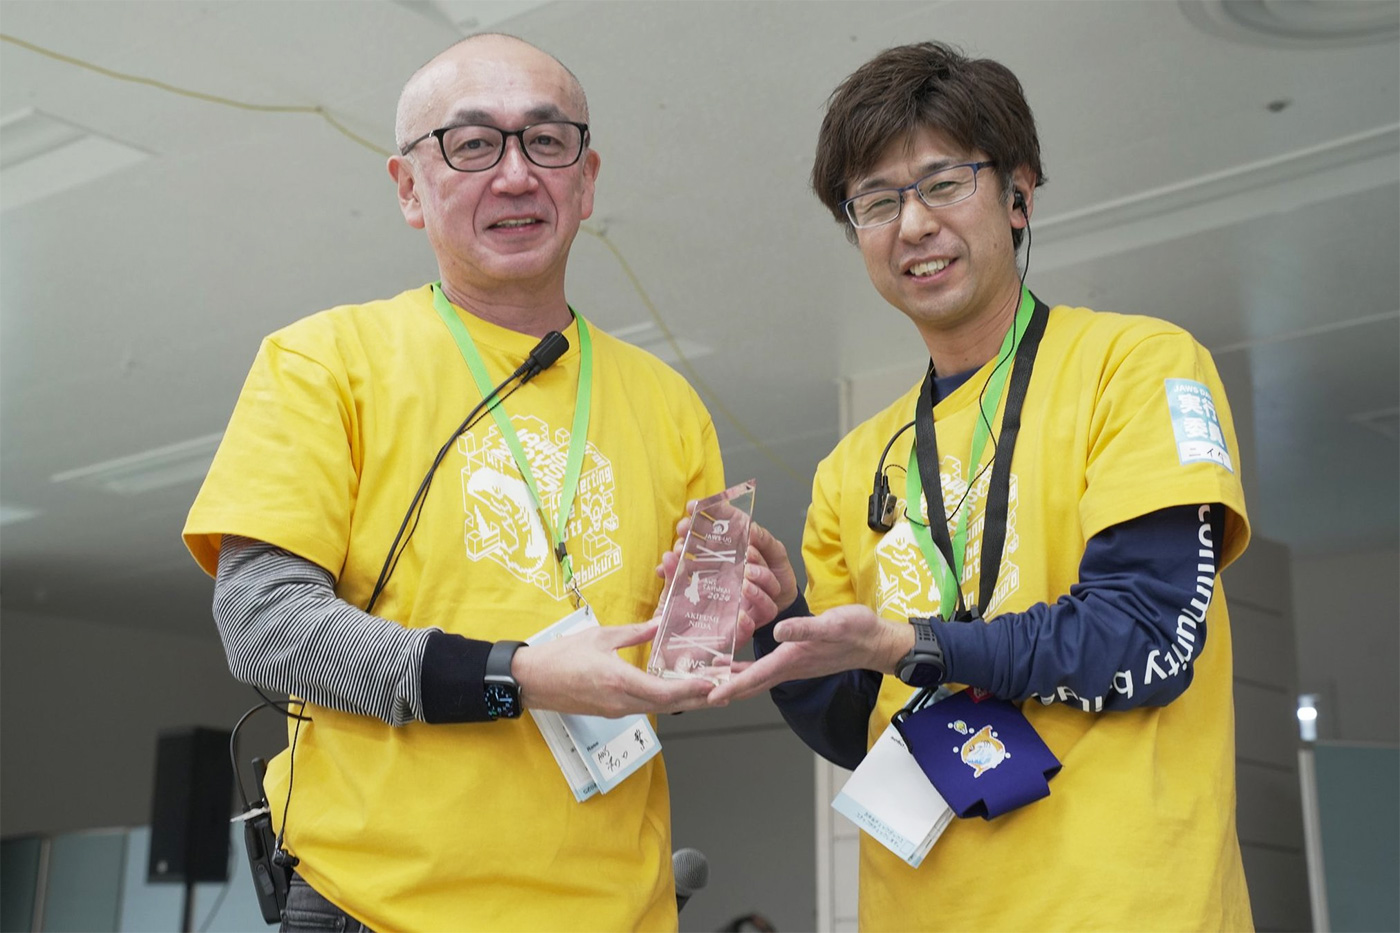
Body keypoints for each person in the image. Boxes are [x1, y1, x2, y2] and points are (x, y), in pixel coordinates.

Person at [184, 34, 772, 932]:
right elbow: (264, 625)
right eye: (471, 144)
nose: (516, 174)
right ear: (408, 187)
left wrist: (724, 629)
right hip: (375, 905)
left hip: (620, 910)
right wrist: (514, 675)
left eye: (547, 141)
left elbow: (665, 670)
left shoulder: (671, 403)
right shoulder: (322, 362)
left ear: (586, 179)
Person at [712, 42, 1254, 929]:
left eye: (943, 183)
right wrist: (780, 625)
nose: (912, 225)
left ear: (1018, 194)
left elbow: (1146, 636)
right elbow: (859, 725)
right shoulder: (851, 467)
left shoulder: (1137, 366)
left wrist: (919, 644)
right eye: (876, 202)